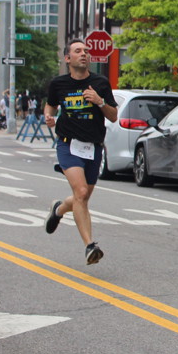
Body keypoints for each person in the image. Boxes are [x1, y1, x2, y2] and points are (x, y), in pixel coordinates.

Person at [43, 39, 117, 265]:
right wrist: (48, 117)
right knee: (81, 192)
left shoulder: (100, 83)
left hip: (93, 147)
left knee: (81, 197)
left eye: (86, 51)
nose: (84, 54)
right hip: (68, 145)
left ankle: (58, 209)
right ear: (68, 58)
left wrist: (99, 101)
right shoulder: (59, 84)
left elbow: (113, 116)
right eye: (78, 51)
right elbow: (51, 105)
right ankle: (90, 246)